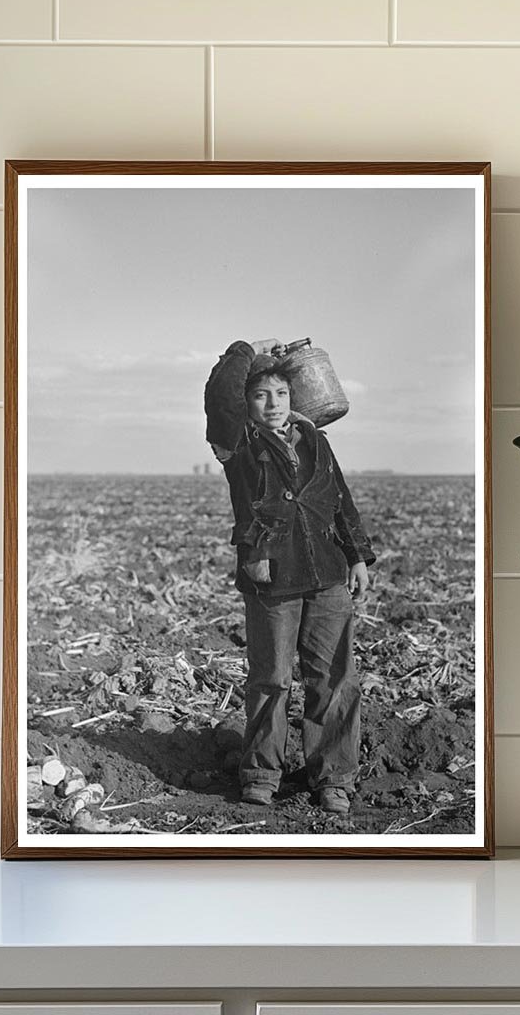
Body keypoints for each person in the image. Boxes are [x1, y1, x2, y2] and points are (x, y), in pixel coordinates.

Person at [204, 338, 376, 815]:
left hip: (328, 574)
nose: (273, 404)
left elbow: (339, 499)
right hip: (272, 578)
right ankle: (261, 775)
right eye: (261, 395)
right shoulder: (236, 443)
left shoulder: (316, 441)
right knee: (271, 679)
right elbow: (220, 396)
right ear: (248, 404)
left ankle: (334, 779)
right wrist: (244, 349)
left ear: (294, 396)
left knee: (337, 680)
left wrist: (357, 556)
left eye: (281, 393)